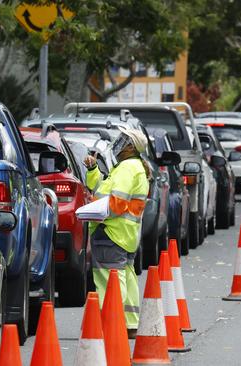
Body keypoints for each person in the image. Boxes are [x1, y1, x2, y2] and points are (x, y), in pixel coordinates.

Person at [83, 126, 150, 339]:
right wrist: (94, 171)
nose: (118, 142)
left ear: (130, 147)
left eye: (123, 139)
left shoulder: (127, 168)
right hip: (125, 234)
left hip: (111, 231)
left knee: (110, 279)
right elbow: (102, 188)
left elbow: (115, 203)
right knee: (125, 276)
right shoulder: (133, 166)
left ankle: (112, 323)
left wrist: (92, 212)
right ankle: (129, 323)